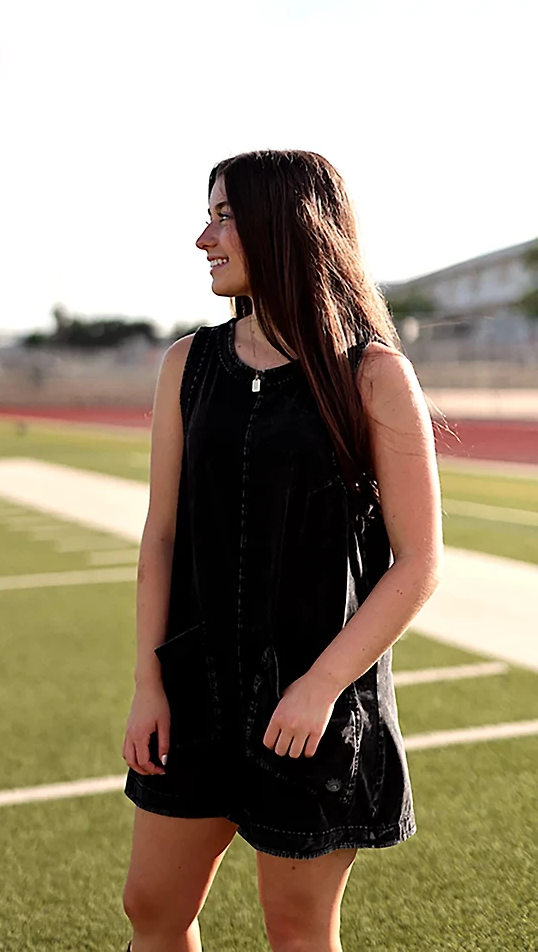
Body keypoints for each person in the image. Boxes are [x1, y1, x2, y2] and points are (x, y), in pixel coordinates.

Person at [121, 149, 444, 952]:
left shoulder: (373, 375)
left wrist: (321, 687)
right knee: (152, 908)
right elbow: (161, 536)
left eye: (225, 217)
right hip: (194, 696)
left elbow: (419, 564)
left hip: (314, 707)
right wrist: (149, 681)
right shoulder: (187, 365)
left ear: (286, 225)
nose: (205, 239)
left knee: (296, 931)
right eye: (208, 217)